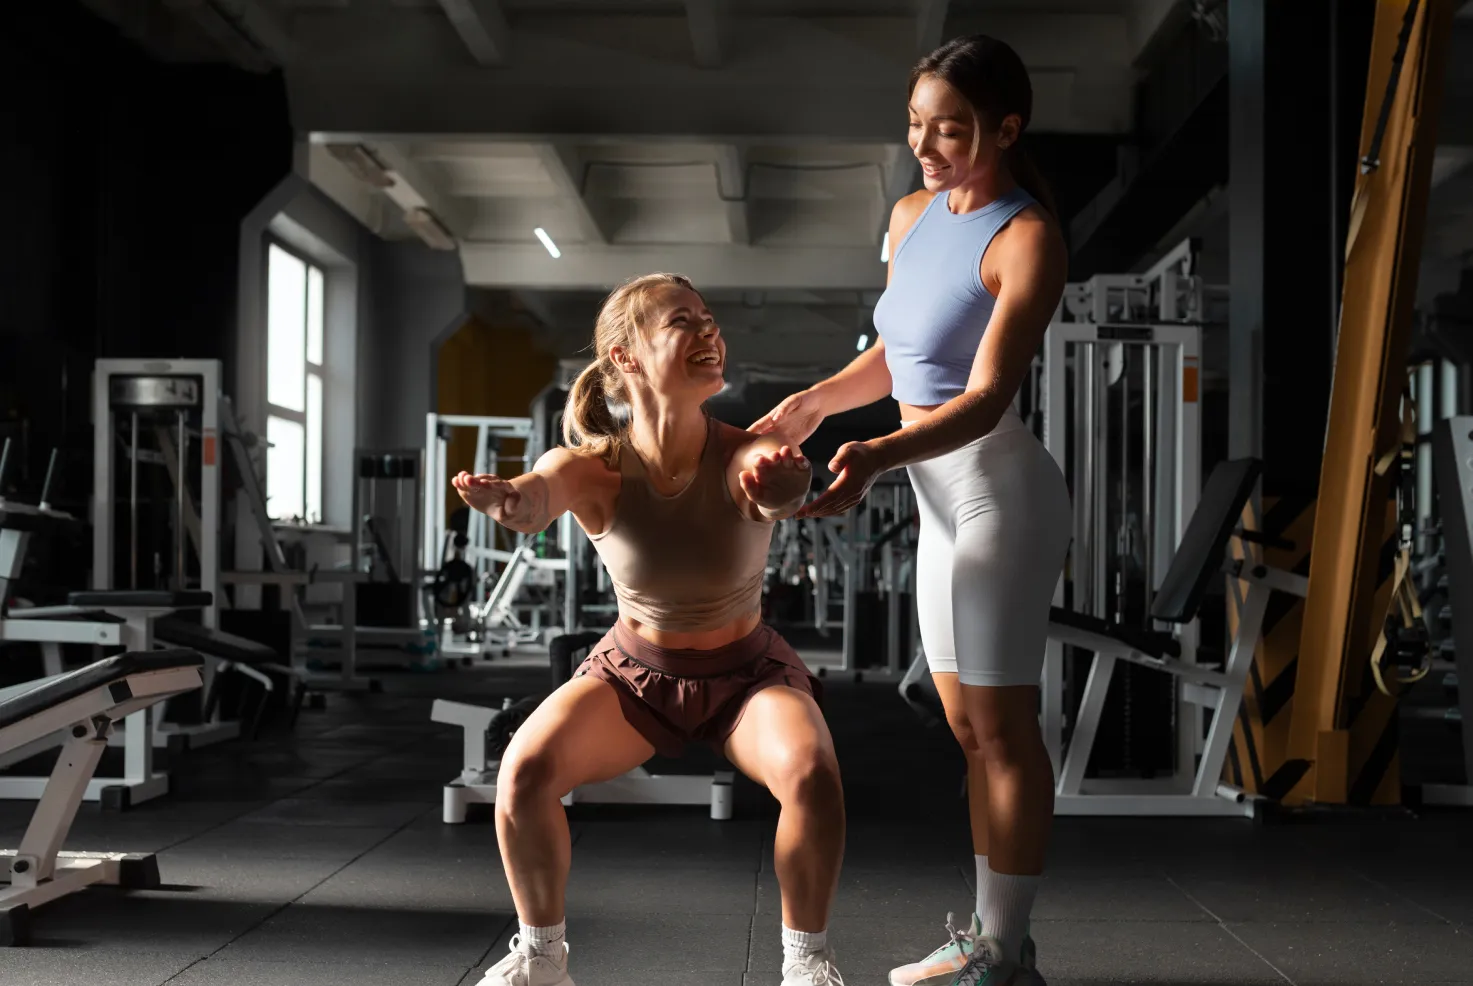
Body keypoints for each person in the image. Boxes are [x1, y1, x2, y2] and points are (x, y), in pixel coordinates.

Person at [749, 34, 1071, 986]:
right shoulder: (909, 216)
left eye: (950, 130)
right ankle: (991, 938)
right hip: (937, 501)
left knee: (1003, 731)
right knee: (965, 730)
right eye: (915, 126)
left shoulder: (1026, 238)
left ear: (1004, 129)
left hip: (997, 495)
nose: (925, 148)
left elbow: (984, 396)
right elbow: (898, 355)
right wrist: (814, 403)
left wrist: (877, 453)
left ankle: (1005, 954)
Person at [453, 272, 848, 986]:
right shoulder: (591, 468)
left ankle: (807, 965)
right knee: (524, 772)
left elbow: (774, 491)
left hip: (746, 677)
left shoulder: (745, 451)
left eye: (708, 317)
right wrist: (509, 502)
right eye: (681, 321)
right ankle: (542, 958)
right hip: (633, 676)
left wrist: (788, 487)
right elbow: (537, 499)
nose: (708, 330)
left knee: (812, 773)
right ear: (625, 356)